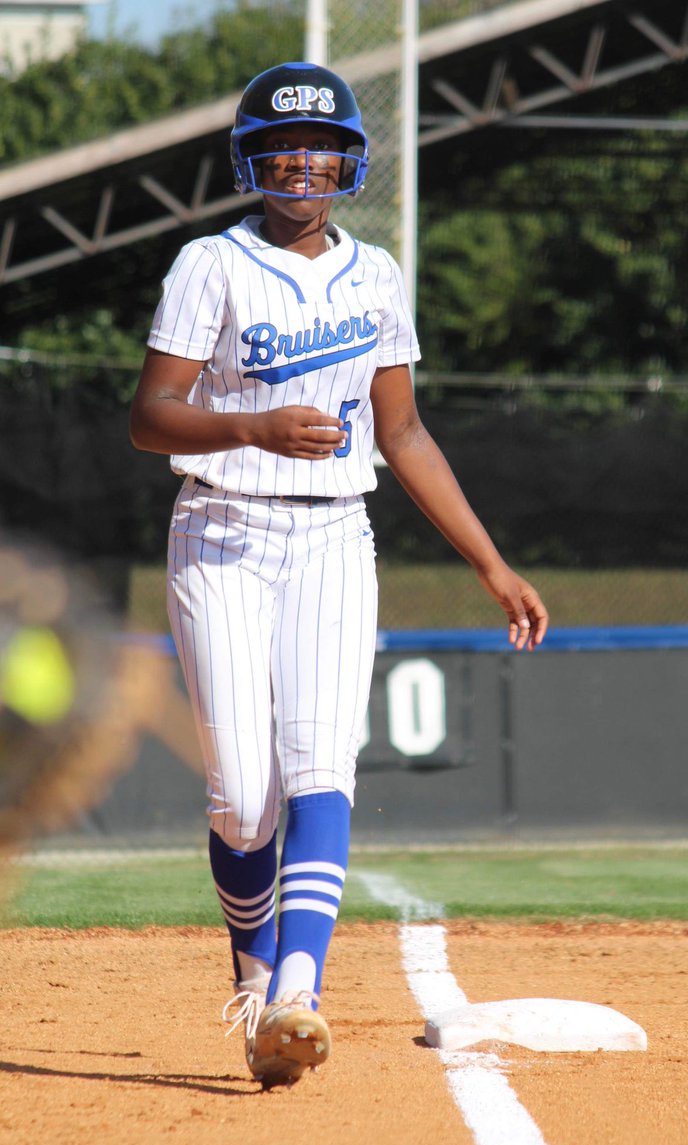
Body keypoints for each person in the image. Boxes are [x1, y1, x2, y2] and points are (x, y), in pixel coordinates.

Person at [129, 61, 548, 1090]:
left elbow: (400, 431)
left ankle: (298, 993)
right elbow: (148, 418)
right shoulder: (208, 265)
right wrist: (252, 428)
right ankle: (255, 973)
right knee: (238, 802)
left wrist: (489, 563)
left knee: (321, 765)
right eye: (281, 151)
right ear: (251, 163)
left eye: (319, 152)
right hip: (219, 529)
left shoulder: (375, 274)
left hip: (331, 536)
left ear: (349, 163)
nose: (301, 167)